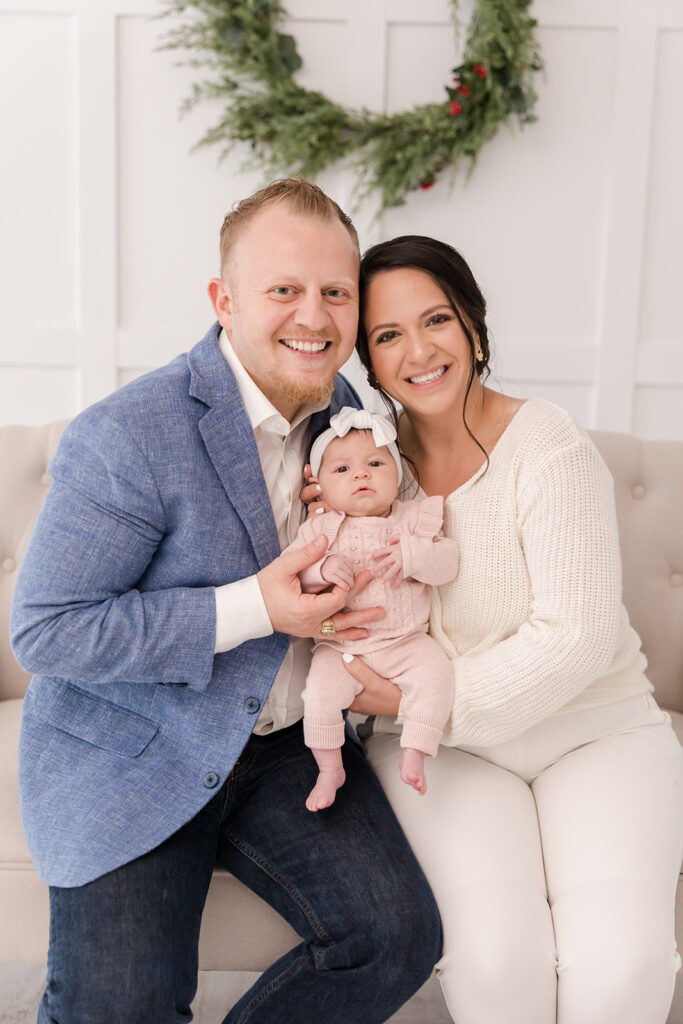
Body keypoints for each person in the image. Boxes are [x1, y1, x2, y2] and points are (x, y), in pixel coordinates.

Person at [9, 185, 442, 1024]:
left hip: (286, 747)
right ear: (223, 300)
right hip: (137, 743)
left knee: (393, 938)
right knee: (121, 1009)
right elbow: (46, 629)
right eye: (283, 289)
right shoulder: (129, 432)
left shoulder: (353, 419)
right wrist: (256, 608)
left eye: (335, 293)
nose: (312, 318)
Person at [326, 233, 683, 1024]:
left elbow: (577, 638)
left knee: (620, 969)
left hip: (593, 730)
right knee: (495, 967)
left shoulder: (547, 442)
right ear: (368, 362)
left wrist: (407, 701)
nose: (418, 350)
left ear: (474, 329)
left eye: (437, 320)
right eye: (387, 336)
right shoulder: (365, 473)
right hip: (443, 754)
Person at [288, 406, 459, 810]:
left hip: (406, 642)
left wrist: (414, 558)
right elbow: (297, 575)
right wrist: (323, 566)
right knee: (319, 695)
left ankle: (416, 748)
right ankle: (330, 767)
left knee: (436, 675)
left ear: (398, 475)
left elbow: (448, 563)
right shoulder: (320, 528)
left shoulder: (414, 521)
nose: (361, 474)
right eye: (342, 469)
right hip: (340, 649)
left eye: (375, 463)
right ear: (321, 489)